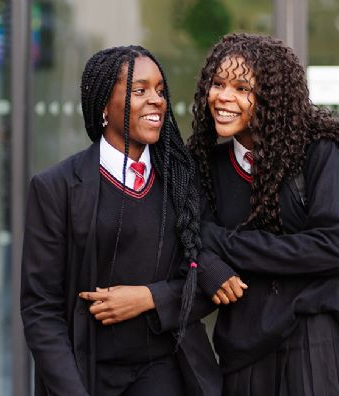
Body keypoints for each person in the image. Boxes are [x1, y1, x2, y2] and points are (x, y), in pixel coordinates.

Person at [20, 45, 221, 396]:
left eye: (160, 90)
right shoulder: (56, 187)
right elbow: (41, 309)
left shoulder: (182, 181)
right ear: (103, 105)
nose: (156, 100)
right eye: (139, 90)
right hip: (86, 377)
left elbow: (206, 278)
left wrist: (149, 297)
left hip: (165, 372)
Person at [189, 33, 339, 396]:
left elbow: (335, 247)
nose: (223, 97)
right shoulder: (205, 166)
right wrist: (211, 261)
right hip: (243, 357)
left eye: (242, 88)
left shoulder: (317, 153)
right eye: (218, 83)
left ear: (271, 97)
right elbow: (191, 241)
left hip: (314, 348)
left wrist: (225, 243)